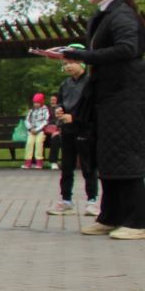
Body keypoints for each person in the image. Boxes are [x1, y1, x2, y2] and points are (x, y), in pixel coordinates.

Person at [43, 0, 144, 238]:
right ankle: (110, 216)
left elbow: (127, 49)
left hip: (125, 95)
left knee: (126, 154)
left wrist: (82, 56)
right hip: (108, 95)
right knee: (107, 155)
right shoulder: (107, 14)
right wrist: (72, 53)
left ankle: (137, 222)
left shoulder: (122, 14)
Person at [51, 60, 98, 215]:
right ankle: (66, 200)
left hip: (85, 130)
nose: (68, 66)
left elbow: (93, 108)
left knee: (88, 166)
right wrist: (59, 110)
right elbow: (61, 103)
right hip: (68, 129)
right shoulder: (65, 84)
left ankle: (92, 200)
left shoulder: (91, 82)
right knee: (66, 165)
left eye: (72, 62)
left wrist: (75, 118)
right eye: (65, 63)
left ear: (82, 64)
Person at [22, 93, 51, 169]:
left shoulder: (45, 110)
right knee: (29, 143)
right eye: (35, 103)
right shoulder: (31, 110)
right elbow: (27, 120)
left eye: (38, 103)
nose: (36, 104)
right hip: (31, 131)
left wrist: (37, 129)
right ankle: (28, 162)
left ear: (41, 102)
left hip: (40, 131)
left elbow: (46, 121)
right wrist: (30, 128)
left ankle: (39, 162)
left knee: (38, 143)